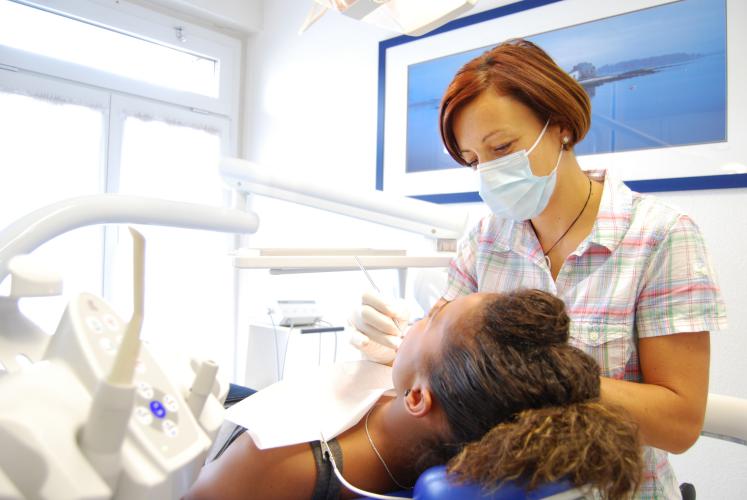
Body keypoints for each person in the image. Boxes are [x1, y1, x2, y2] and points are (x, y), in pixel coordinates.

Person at [350, 39, 728, 498]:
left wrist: (537, 374)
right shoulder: (485, 241)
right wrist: (400, 348)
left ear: (561, 126)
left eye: (502, 147)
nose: (488, 173)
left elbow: (679, 423)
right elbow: (444, 358)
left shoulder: (660, 237)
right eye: (473, 161)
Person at [185, 289, 642, 499]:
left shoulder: (278, 464)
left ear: (419, 399)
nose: (429, 308)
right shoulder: (457, 421)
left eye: (434, 318)